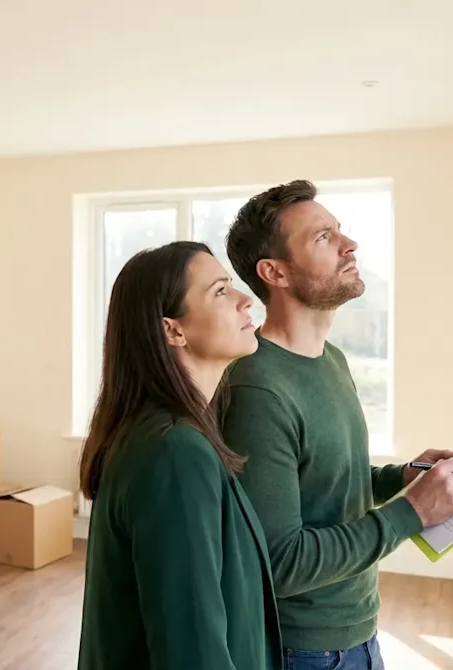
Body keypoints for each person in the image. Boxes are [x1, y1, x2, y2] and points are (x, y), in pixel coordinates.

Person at [220, 180, 453, 670]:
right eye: (323, 237)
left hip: (357, 629)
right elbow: (280, 561)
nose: (349, 244)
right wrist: (411, 512)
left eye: (339, 230)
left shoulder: (330, 359)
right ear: (275, 272)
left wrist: (402, 477)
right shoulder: (257, 389)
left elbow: (323, 485)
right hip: (306, 649)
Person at [76, 241, 284, 670]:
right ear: (173, 330)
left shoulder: (168, 436)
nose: (246, 300)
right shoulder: (174, 453)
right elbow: (192, 654)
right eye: (221, 291)